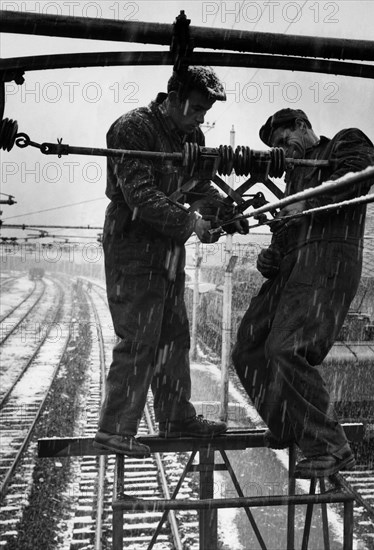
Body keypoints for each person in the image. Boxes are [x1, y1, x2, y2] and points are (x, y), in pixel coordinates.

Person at [94, 66, 247, 457]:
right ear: (174, 98)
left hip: (167, 245)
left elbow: (198, 185)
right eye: (197, 108)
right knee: (140, 334)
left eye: (205, 112)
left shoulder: (191, 136)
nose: (201, 118)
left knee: (174, 336)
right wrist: (191, 222)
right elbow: (141, 197)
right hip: (132, 238)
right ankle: (115, 427)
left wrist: (226, 212)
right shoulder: (133, 129)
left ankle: (176, 416)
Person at [232, 108, 374, 477]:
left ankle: (330, 445)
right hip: (293, 267)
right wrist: (272, 254)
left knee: (285, 347)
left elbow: (357, 176)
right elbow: (288, 227)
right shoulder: (296, 172)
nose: (282, 148)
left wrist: (306, 202)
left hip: (327, 260)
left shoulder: (347, 141)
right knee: (249, 345)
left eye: (283, 140)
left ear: (300, 125)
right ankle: (286, 423)